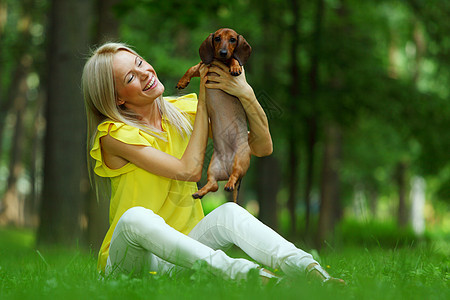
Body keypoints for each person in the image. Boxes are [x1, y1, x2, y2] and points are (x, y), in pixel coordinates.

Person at [81, 42, 345, 285]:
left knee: (228, 214)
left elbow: (262, 146)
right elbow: (188, 170)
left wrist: (246, 93)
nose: (144, 73)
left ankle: (311, 272)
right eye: (130, 77)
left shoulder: (182, 112)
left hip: (182, 255)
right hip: (130, 262)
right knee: (134, 218)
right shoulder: (113, 134)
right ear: (118, 99)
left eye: (139, 63)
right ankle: (246, 276)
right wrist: (207, 96)